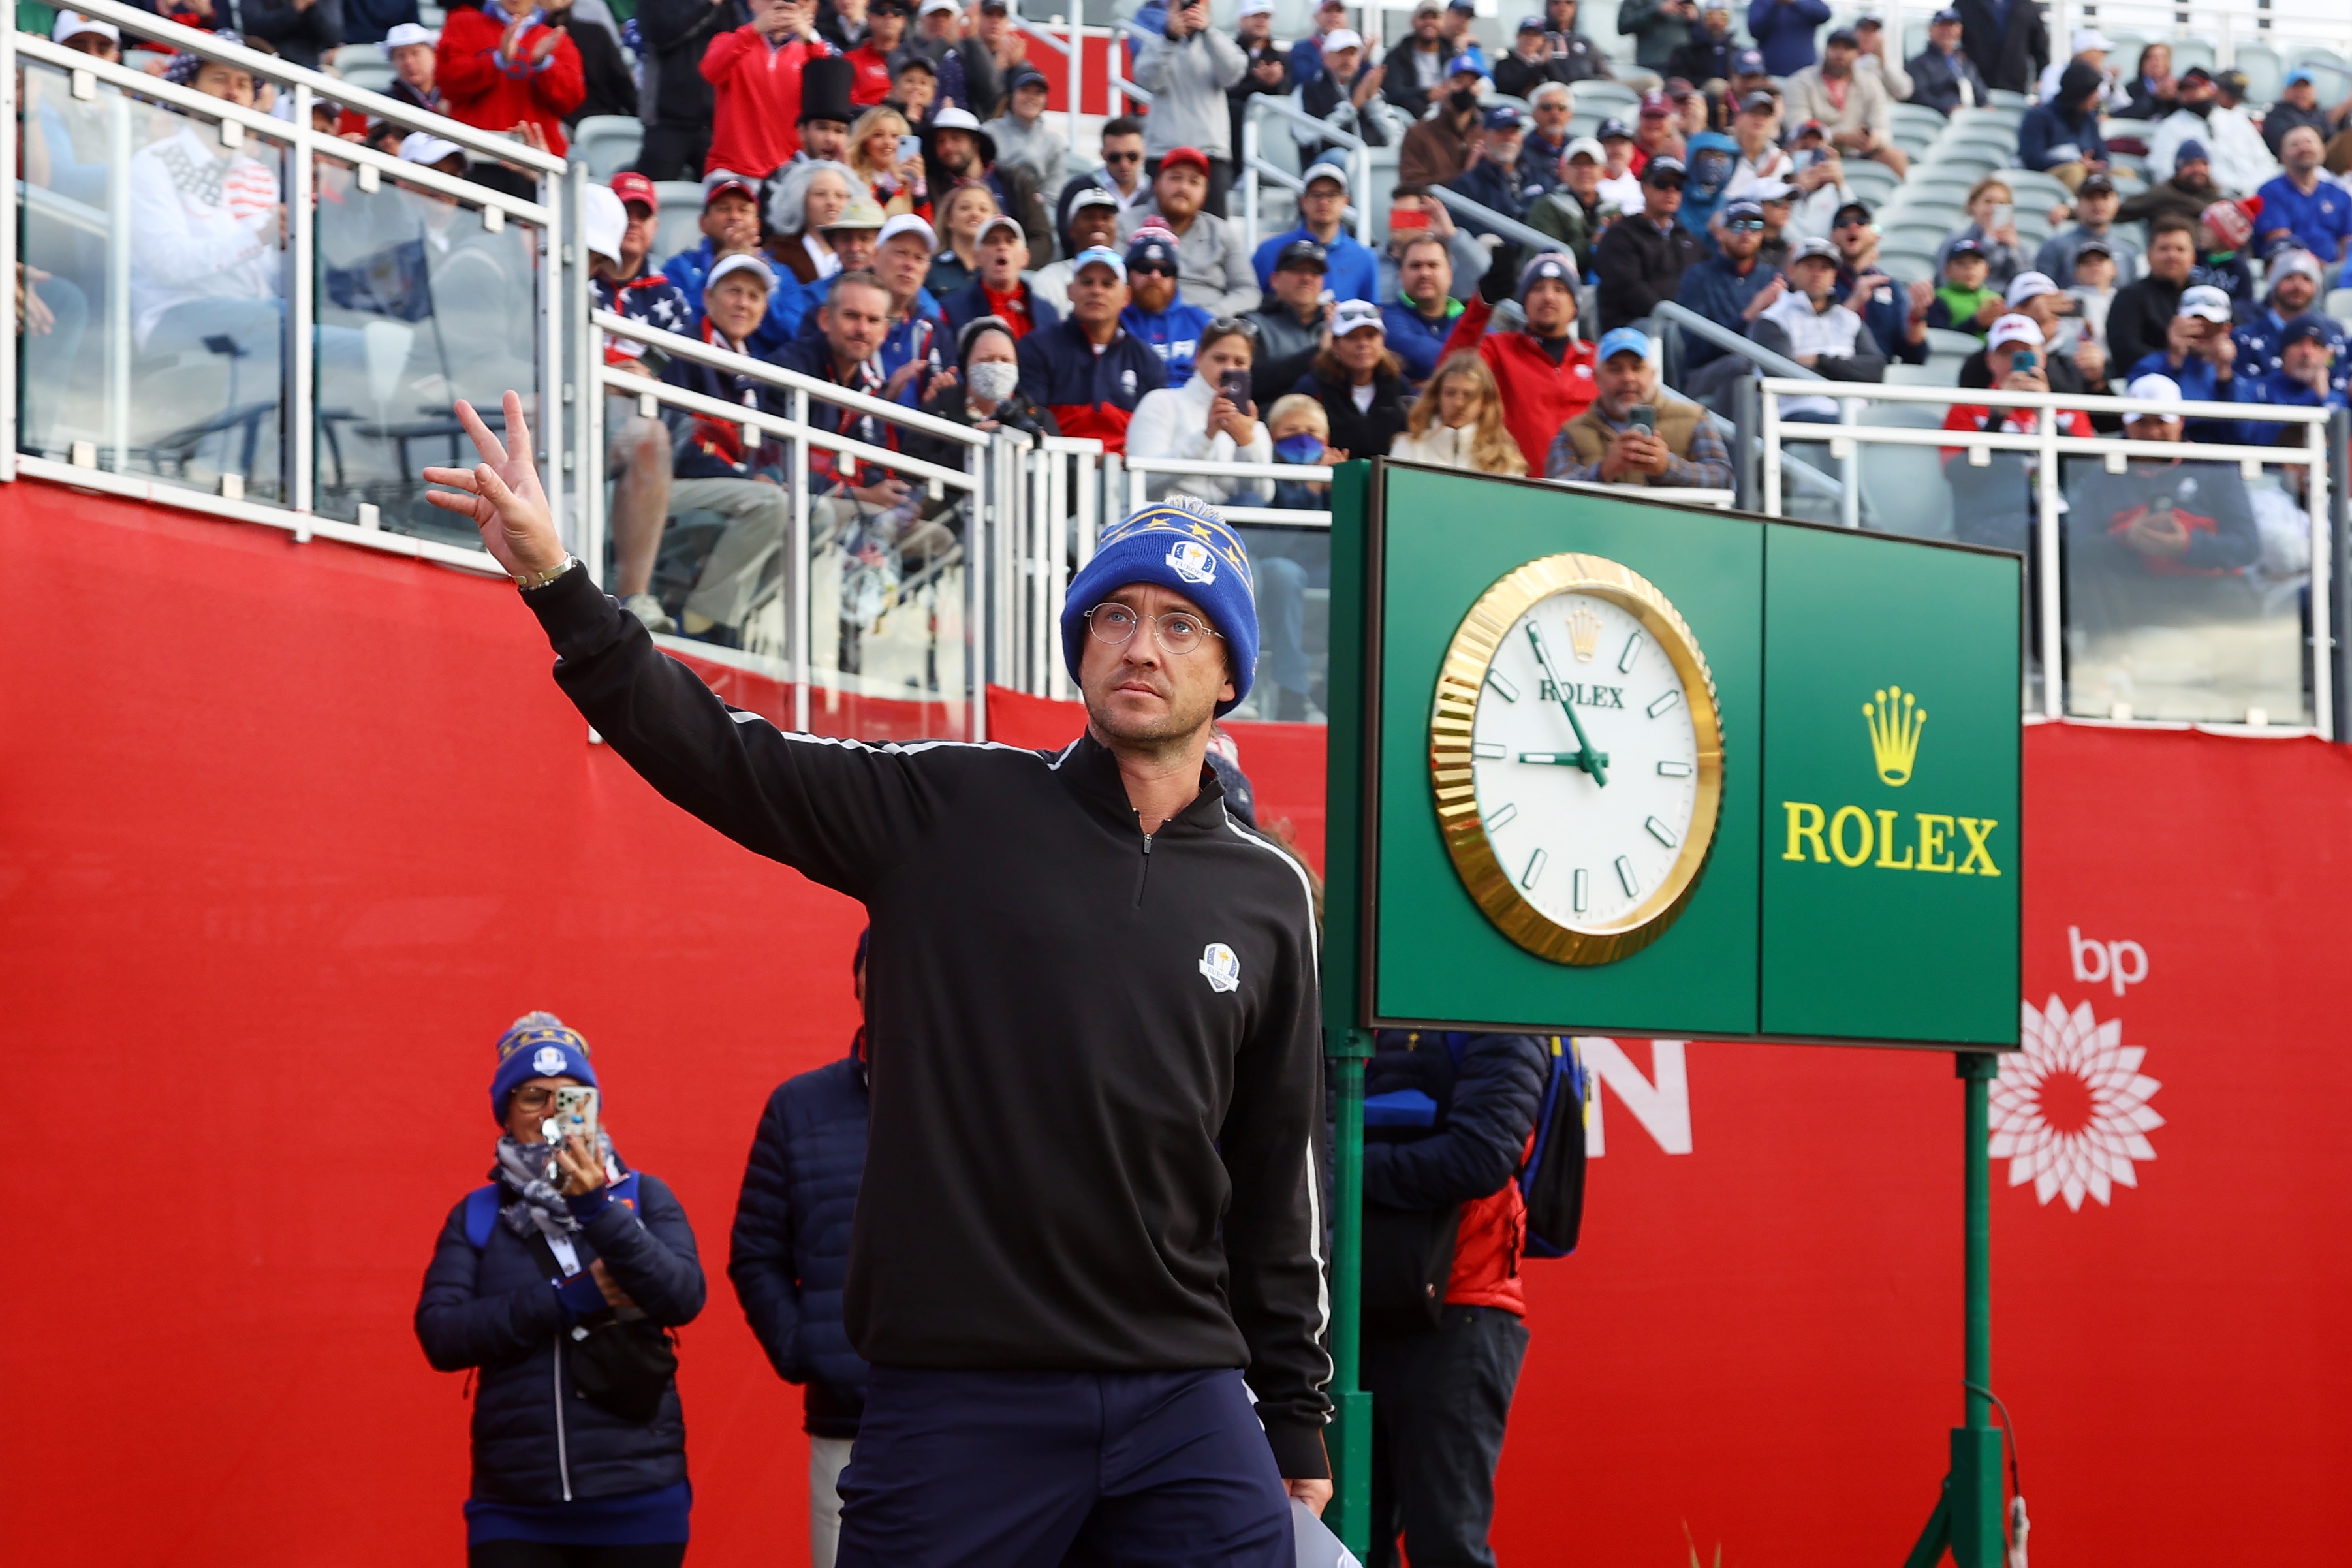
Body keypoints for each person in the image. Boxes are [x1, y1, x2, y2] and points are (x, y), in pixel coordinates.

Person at [428, 392, 1337, 1559]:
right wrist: (562, 584)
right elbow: (722, 756)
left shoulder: (1270, 893)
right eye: (1113, 615)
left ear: (1228, 676)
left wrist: (1294, 1413)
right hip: (961, 1394)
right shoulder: (953, 803)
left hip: (1183, 1393)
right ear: (1078, 646)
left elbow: (1277, 1177)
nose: (1140, 645)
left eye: (1178, 624)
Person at [415, 1012, 707, 1568]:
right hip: (517, 1506)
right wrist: (569, 1298)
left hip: (639, 1494)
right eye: (533, 1097)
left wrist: (595, 1208)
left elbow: (683, 1297)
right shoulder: (478, 1216)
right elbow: (442, 1334)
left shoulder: (642, 1198)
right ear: (506, 1113)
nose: (552, 1111)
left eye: (571, 1097)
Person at [1355, 1030, 1550, 1568]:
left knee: (1446, 1544)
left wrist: (1341, 1169)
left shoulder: (1501, 1016)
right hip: (1348, 1307)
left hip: (1460, 1308)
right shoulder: (1340, 1003)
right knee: (1346, 1540)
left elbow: (1479, 1156)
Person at [731, 935, 875, 1568]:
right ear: (860, 983)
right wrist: (808, 1348)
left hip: (975, 1419)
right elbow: (756, 1251)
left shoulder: (983, 1097)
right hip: (845, 1422)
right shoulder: (800, 1106)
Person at [656, 254, 817, 646]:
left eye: (755, 296)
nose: (743, 303)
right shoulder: (684, 349)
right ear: (708, 297)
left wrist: (772, 477)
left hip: (733, 490)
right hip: (666, 489)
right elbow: (678, 446)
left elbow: (769, 453)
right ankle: (706, 625)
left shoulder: (754, 371)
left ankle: (746, 612)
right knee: (771, 504)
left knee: (818, 512)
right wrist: (750, 478)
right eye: (734, 292)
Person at [2065, 371, 2261, 634]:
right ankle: (2111, 670)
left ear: (2180, 420)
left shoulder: (2216, 469)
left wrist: (2189, 544)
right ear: (2126, 423)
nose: (2152, 432)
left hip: (2204, 588)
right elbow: (2077, 549)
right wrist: (2126, 538)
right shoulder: (2101, 478)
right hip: (2134, 591)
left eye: (2161, 422)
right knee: (2094, 580)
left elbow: (2248, 545)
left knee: (2239, 597)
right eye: (2142, 423)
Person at [1938, 313, 2093, 554]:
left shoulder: (2066, 407)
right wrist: (1999, 416)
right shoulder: (1967, 405)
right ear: (1990, 361)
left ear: (2042, 357)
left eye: (2025, 352)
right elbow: (1960, 474)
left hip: (2063, 516)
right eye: (2006, 352)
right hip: (1992, 517)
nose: (2015, 360)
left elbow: (2087, 469)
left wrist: (2045, 414)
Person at [1441, 251, 1599, 470]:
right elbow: (1450, 372)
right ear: (1523, 302)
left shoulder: (1598, 358)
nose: (1548, 297)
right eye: (1538, 288)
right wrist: (1482, 305)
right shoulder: (1499, 348)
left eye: (1560, 289)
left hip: (1587, 491)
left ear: (1575, 306)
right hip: (1517, 486)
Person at [1016, 245, 1167, 449]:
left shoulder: (1147, 360)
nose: (1096, 291)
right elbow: (1033, 418)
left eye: (1107, 284)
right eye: (1087, 282)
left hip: (1127, 473)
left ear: (1126, 296)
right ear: (1070, 291)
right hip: (1058, 467)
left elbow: (1155, 432)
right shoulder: (1036, 346)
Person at [1549, 326, 1733, 488]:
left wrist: (1667, 467)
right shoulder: (1572, 432)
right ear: (1597, 378)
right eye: (1615, 369)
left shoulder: (1694, 418)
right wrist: (1604, 471)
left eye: (1637, 368)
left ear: (1653, 374)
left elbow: (1723, 478)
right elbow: (1553, 491)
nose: (1628, 378)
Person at [1124, 317, 1276, 505]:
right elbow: (1143, 482)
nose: (1229, 369)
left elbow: (1263, 497)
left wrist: (1246, 444)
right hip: (1171, 522)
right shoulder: (1161, 403)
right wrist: (1206, 436)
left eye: (1240, 363)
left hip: (1229, 526)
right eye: (1220, 359)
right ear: (1199, 357)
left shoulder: (1254, 427)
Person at [1135, 0, 1249, 217]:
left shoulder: (1218, 44)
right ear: (1170, 9)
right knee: (1157, 227)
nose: (1190, 11)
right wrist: (1170, 39)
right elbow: (1148, 80)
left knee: (1213, 230)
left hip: (1210, 153)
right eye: (1183, 5)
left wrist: (1208, 32)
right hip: (1163, 151)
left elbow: (1233, 75)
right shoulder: (1155, 44)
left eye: (1195, 4)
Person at [697, 0, 833, 178]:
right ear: (752, 3)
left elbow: (830, 96)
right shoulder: (728, 41)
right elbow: (710, 72)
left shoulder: (810, 53)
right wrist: (752, 31)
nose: (778, 5)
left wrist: (811, 38)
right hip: (731, 168)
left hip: (787, 170)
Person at [1753, 237, 1885, 419]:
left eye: (1824, 268)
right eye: (1810, 266)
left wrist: (1820, 360)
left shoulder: (1848, 319)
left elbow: (1876, 370)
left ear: (1834, 276)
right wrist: (1848, 372)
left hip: (1857, 413)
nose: (1817, 274)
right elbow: (1784, 376)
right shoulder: (1773, 319)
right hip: (1799, 414)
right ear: (1791, 272)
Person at [1121, 146, 1261, 315]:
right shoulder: (1124, 223)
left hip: (1209, 328)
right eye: (1175, 178)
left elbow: (1248, 291)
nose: (1183, 188)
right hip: (1141, 324)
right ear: (1156, 184)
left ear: (1205, 193)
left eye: (1194, 182)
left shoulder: (1221, 232)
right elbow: (1112, 281)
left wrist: (1209, 318)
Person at [436, 0, 586, 155]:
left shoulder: (557, 40)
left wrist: (544, 65)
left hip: (533, 157)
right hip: (473, 151)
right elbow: (448, 83)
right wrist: (496, 61)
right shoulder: (462, 24)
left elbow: (571, 100)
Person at [1674, 196, 1784, 401]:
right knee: (1742, 365)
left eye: (1755, 226)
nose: (1746, 233)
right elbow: (1697, 347)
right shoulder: (1697, 277)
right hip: (1704, 374)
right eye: (1737, 225)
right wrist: (1749, 315)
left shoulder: (1772, 278)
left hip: (1762, 373)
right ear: (1720, 232)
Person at [1957, 270, 2110, 415]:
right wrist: (2024, 328)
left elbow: (2110, 425)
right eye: (2027, 303)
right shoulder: (1983, 362)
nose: (2043, 310)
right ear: (2009, 311)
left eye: (2051, 303)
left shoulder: (2073, 360)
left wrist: (2096, 382)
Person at [635, 0, 746, 178]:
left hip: (713, 120)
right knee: (656, 191)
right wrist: (708, 5)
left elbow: (737, 41)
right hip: (667, 118)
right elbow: (660, 35)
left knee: (719, 194)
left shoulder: (727, 6)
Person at [1291, 299, 1413, 460]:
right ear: (1334, 344)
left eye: (1371, 336)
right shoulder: (1312, 386)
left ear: (1382, 340)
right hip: (1332, 479)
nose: (1363, 344)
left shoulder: (1399, 385)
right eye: (1352, 337)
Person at [924, 105, 1053, 256]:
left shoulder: (1016, 181)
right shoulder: (930, 185)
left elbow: (1042, 239)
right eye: (941, 141)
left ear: (976, 144)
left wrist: (1010, 265)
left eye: (956, 138)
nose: (948, 147)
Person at [1592, 155, 1701, 332]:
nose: (1671, 191)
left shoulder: (1689, 240)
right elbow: (1629, 290)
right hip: (1630, 329)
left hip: (1681, 325)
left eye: (1678, 186)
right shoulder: (1620, 235)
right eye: (1662, 183)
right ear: (1643, 187)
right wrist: (1675, 318)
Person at [918, 313, 1063, 443]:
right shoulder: (941, 410)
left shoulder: (1038, 418)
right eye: (987, 360)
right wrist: (970, 443)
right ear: (967, 367)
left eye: (1006, 360)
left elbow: (1066, 467)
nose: (997, 366)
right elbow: (915, 460)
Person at [1782, 28, 1906, 177]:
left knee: (1896, 157)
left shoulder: (1870, 82)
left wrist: (1873, 139)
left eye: (1847, 48)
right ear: (1825, 50)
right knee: (1802, 149)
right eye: (1835, 47)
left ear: (1856, 53)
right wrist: (1840, 137)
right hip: (1816, 149)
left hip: (1859, 150)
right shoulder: (1801, 81)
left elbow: (1883, 128)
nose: (1840, 54)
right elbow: (1798, 129)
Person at [1253, 160, 1380, 304]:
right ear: (1303, 201)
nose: (1324, 202)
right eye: (1316, 195)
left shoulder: (1364, 258)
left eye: (1332, 195)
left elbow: (1370, 314)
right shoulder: (1269, 251)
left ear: (1345, 201)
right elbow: (1253, 305)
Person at [2125, 285, 2242, 435]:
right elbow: (2145, 423)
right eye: (2193, 324)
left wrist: (2224, 374)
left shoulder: (2241, 367)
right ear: (2177, 323)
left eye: (2210, 327)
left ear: (2226, 329)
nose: (2200, 332)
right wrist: (2174, 361)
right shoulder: (2148, 367)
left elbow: (2241, 432)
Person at [1390, 351, 1526, 473]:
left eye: (1469, 395)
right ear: (1437, 397)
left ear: (1485, 402)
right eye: (1450, 393)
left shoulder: (1505, 461)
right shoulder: (1408, 448)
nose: (1458, 403)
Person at [1831, 200, 1930, 366]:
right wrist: (1854, 302)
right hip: (1829, 377)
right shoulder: (1822, 280)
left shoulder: (1889, 287)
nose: (1853, 227)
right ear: (1833, 236)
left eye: (1861, 222)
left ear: (1875, 235)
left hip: (1877, 380)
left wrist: (1917, 318)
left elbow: (1914, 357)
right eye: (1843, 223)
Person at [2147, 69, 2274, 195]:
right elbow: (2164, 172)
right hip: (2206, 199)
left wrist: (2253, 187)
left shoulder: (2237, 120)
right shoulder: (2170, 127)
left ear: (2211, 90)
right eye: (2184, 89)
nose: (2190, 93)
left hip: (2254, 196)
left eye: (2195, 88)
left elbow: (2266, 162)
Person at [1120, 227, 1216, 384]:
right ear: (1127, 275)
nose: (1155, 277)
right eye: (1145, 268)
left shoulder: (1203, 323)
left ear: (1175, 279)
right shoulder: (1113, 323)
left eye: (1166, 271)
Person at [1242, 238, 1332, 406]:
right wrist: (1319, 352)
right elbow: (1252, 383)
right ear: (1274, 280)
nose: (1307, 278)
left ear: (1322, 282)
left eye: (1315, 273)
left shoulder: (1336, 324)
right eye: (1297, 270)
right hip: (1272, 422)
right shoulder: (1252, 326)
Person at [2234, 315, 2349, 444]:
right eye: (2298, 343)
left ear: (2326, 356)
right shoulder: (2258, 392)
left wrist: (2323, 398)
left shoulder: (2338, 401)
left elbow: (2341, 448)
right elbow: (2253, 438)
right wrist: (2313, 399)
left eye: (2316, 345)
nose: (2306, 352)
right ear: (2283, 351)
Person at [2105, 215, 2198, 373]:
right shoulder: (2129, 297)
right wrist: (2172, 359)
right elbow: (2125, 351)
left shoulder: (2209, 296)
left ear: (2193, 258)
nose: (2172, 256)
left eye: (2180, 249)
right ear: (2149, 255)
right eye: (2164, 249)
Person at [942, 213, 1058, 340]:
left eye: (1010, 241)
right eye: (992, 241)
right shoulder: (952, 310)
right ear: (977, 257)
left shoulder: (1047, 312)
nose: (1002, 247)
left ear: (1025, 257)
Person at [2234, 251, 2343, 381]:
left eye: (2306, 279)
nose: (2298, 286)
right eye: (2289, 278)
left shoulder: (2333, 336)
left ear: (2316, 288)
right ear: (2274, 284)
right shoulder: (2245, 337)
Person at [2256, 128, 2352, 273]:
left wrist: (2341, 269)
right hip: (2290, 270)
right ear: (2282, 155)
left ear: (2323, 151)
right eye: (2295, 145)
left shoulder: (2338, 193)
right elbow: (2280, 240)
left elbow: (2348, 239)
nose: (2304, 148)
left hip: (2335, 272)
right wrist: (2319, 269)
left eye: (2309, 142)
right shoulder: (2271, 192)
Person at [1295, 27, 1388, 171]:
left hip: (1368, 159)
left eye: (1353, 54)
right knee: (1340, 157)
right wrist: (1351, 108)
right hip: (1325, 167)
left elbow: (1395, 137)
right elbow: (1304, 136)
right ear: (1325, 57)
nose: (1347, 60)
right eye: (1341, 53)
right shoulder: (1308, 90)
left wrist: (1372, 100)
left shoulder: (1369, 88)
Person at [1449, 106, 1549, 236]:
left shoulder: (1539, 176)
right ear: (1485, 135)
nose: (1508, 138)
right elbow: (1468, 229)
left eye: (1514, 132)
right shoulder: (1467, 185)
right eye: (1501, 131)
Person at [1527, 137, 1618, 277]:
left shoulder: (1614, 210)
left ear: (1603, 171)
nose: (1584, 171)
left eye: (1591, 164)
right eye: (1577, 164)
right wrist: (1593, 244)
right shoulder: (1547, 207)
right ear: (1563, 170)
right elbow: (1543, 258)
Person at [1382, 232, 1464, 388]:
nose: (1425, 273)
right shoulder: (1384, 317)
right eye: (1416, 266)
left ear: (1450, 275)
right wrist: (1467, 363)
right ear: (1401, 275)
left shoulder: (1469, 321)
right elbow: (1411, 349)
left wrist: (1430, 384)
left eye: (1433, 265)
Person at [2035, 173, 2141, 288]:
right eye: (2090, 198)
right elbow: (2043, 294)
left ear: (2116, 203)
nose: (2098, 204)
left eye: (2104, 197)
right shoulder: (2055, 248)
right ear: (2078, 204)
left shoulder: (2127, 252)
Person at [766, 161, 860, 289]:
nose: (832, 202)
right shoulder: (778, 253)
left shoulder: (865, 253)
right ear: (800, 200)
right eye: (821, 194)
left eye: (840, 196)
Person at [1398, 55, 1487, 189]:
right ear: (1444, 86)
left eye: (1472, 83)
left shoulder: (1488, 132)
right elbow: (1411, 184)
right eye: (1459, 81)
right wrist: (1465, 178)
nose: (1466, 88)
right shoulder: (1419, 134)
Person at [2016, 61, 2107, 190]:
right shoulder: (2038, 117)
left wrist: (2096, 166)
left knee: (2125, 174)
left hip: (2088, 176)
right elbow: (2032, 158)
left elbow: (2102, 155)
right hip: (2047, 180)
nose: (2096, 98)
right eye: (2092, 94)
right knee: (2075, 171)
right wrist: (2076, 163)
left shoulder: (2090, 119)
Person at [1057, 116, 1152, 240]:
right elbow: (1067, 236)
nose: (1124, 164)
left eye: (1132, 156)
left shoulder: (1157, 191)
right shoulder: (1077, 189)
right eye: (1115, 157)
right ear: (1102, 154)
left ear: (1144, 153)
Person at [903, 0, 1001, 120]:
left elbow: (991, 88)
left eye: (946, 16)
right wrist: (944, 42)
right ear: (922, 19)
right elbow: (908, 73)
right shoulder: (907, 49)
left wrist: (973, 40)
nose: (940, 21)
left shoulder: (968, 50)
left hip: (968, 122)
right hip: (921, 122)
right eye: (934, 16)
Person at [1033, 187, 1123, 316]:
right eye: (1089, 217)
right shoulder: (1049, 279)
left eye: (1106, 217)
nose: (1098, 223)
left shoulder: (1130, 277)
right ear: (1072, 229)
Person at [982, 66, 1066, 196]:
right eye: (1025, 90)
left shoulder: (1055, 144)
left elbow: (1053, 196)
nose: (1031, 97)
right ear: (1011, 96)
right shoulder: (988, 133)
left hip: (1036, 212)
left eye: (1038, 92)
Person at [1932, 177, 2026, 293]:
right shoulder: (1955, 241)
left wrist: (2015, 251)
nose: (1994, 209)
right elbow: (1946, 282)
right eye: (1988, 202)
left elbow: (2025, 283)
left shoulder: (2015, 245)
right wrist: (1988, 242)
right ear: (1973, 205)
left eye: (2002, 203)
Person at [1229, 0, 1293, 154]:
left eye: (1266, 17)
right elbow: (1226, 88)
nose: (1262, 21)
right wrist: (1260, 82)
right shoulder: (1228, 53)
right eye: (1256, 16)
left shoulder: (1281, 60)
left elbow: (1288, 93)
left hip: (1269, 134)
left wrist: (1277, 82)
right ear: (1242, 20)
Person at [2116, 140, 2224, 230]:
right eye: (2191, 164)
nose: (2198, 169)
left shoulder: (2218, 202)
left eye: (2203, 164)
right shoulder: (2162, 195)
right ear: (2179, 167)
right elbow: (2121, 212)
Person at [846, 105, 928, 217]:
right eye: (878, 135)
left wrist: (920, 193)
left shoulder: (909, 185)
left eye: (895, 136)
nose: (887, 142)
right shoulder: (852, 179)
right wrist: (887, 189)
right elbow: (863, 220)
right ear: (865, 142)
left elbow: (925, 228)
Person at [1952, 0, 2045, 97]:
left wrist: (2042, 77)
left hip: (2014, 83)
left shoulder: (2027, 6)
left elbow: (2040, 47)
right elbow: (1949, 39)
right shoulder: (1964, 4)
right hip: (1975, 81)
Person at [1904, 7, 1985, 116]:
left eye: (1952, 26)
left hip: (1971, 118)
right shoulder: (1919, 65)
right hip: (1938, 121)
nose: (1948, 32)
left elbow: (1981, 93)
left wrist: (1985, 106)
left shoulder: (1966, 64)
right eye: (1942, 26)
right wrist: (1947, 108)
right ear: (1931, 30)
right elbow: (1919, 97)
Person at [925, 182, 999, 299]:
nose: (975, 214)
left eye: (983, 210)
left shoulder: (1001, 268)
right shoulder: (929, 268)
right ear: (949, 219)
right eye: (965, 208)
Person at [2261, 67, 2352, 161]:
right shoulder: (2277, 115)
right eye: (2296, 87)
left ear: (2314, 90)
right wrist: (2336, 115)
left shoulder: (2319, 113)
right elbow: (2290, 144)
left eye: (2305, 87)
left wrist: (2343, 112)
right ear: (2286, 91)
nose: (2301, 92)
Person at [1925, 237, 2003, 336]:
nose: (1969, 268)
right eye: (1961, 263)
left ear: (1987, 270)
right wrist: (1975, 323)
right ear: (1947, 271)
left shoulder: (1996, 299)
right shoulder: (1938, 299)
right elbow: (1940, 338)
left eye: (1976, 262)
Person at [841, 0, 906, 105]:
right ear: (869, 18)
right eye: (882, 12)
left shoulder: (913, 61)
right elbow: (847, 100)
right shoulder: (850, 60)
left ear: (903, 21)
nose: (889, 16)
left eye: (896, 12)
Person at [1746, 0, 1829, 78]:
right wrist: (1776, 6)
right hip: (1771, 73)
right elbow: (1755, 31)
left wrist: (1794, 2)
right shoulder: (1761, 2)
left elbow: (1825, 14)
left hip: (1805, 73)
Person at [1663, 3, 1736, 89]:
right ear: (1703, 20)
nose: (1716, 19)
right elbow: (1678, 80)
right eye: (1710, 15)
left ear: (1728, 20)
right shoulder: (1685, 52)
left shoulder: (1736, 52)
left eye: (1723, 15)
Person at [1614, 0, 1695, 75]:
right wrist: (1657, 11)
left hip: (1687, 65)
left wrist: (1695, 19)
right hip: (1654, 64)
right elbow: (1624, 26)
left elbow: (1702, 33)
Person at [1287, 0, 1351, 87]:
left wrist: (1365, 61)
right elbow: (1303, 81)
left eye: (1339, 11)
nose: (1334, 15)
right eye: (1328, 11)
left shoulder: (1356, 48)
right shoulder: (1301, 49)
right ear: (1316, 17)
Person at [2115, 40, 2175, 121]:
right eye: (2152, 57)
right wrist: (2157, 96)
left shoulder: (2177, 89)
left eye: (2163, 57)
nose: (2157, 62)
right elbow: (2134, 111)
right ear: (2143, 62)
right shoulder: (2132, 87)